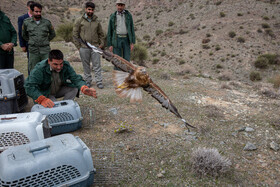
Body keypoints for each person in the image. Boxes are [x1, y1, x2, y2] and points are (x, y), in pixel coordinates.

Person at [24, 49, 97, 108]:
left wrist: (83, 87)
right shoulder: (40, 69)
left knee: (74, 89)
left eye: (61, 64)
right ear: (49, 61)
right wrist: (41, 99)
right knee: (54, 107)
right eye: (55, 64)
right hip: (46, 93)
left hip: (58, 90)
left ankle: (66, 107)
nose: (59, 67)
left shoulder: (65, 65)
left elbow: (75, 78)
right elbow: (28, 86)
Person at [73, 2, 105, 89]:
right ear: (86, 9)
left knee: (97, 65)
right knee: (86, 65)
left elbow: (101, 34)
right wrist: (78, 47)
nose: (90, 11)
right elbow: (75, 34)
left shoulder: (96, 21)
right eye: (89, 9)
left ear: (94, 10)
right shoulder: (80, 20)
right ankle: (88, 81)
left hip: (95, 47)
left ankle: (99, 82)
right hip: (84, 47)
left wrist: (101, 44)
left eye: (92, 10)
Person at [22, 2, 56, 73]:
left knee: (47, 69)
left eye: (40, 12)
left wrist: (46, 40)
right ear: (32, 11)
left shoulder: (47, 22)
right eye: (36, 11)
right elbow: (24, 35)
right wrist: (31, 41)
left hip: (45, 51)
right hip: (33, 51)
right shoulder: (26, 22)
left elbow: (52, 34)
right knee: (33, 70)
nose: (38, 13)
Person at [107, 0, 135, 70]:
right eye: (118, 5)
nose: (120, 7)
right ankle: (117, 77)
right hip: (117, 39)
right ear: (116, 5)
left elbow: (131, 29)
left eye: (121, 5)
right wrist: (110, 44)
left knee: (126, 59)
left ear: (124, 6)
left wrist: (132, 42)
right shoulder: (113, 16)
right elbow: (109, 30)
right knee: (116, 59)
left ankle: (126, 77)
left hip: (126, 39)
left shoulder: (128, 15)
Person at [17, 1, 35, 74]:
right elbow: (20, 32)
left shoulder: (38, 17)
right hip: (28, 44)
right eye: (30, 6)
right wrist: (22, 45)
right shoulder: (22, 18)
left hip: (39, 45)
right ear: (27, 7)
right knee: (31, 63)